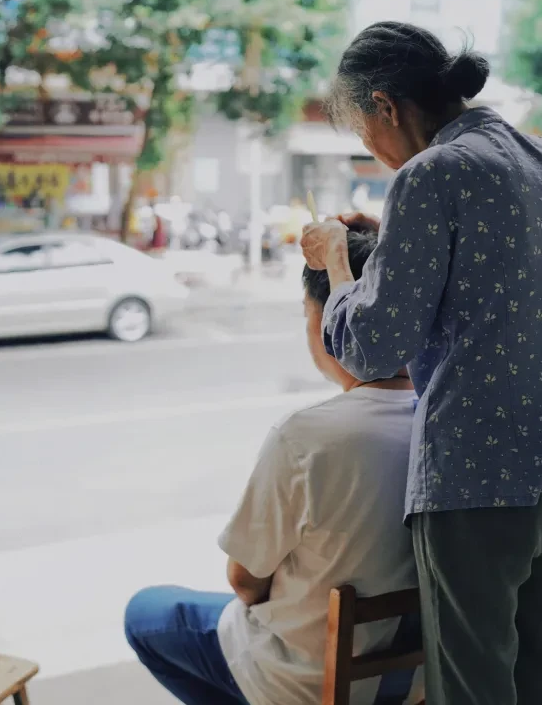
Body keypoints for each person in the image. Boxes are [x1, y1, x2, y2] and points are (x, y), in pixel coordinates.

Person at [301, 21, 542, 705]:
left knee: (474, 689)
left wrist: (338, 263)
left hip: (478, 481)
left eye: (362, 133)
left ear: (385, 105)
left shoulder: (432, 174)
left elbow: (370, 346)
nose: (374, 154)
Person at [124, 226, 423, 705]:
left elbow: (244, 582)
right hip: (413, 680)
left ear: (330, 320)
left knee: (145, 615)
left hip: (302, 677)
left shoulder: (307, 437)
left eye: (307, 313)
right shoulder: (445, 421)